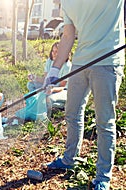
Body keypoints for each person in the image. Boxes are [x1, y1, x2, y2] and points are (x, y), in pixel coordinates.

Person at [43, 1, 125, 189]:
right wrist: (54, 70)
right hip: (80, 63)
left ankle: (103, 176)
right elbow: (68, 36)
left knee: (104, 122)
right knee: (72, 113)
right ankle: (69, 158)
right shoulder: (67, 3)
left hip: (108, 60)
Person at [27, 42, 71, 110]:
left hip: (61, 90)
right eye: (53, 51)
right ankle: (37, 104)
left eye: (56, 52)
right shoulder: (49, 61)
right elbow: (45, 79)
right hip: (48, 88)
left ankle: (61, 105)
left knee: (49, 98)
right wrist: (35, 78)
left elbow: (62, 86)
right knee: (30, 85)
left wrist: (52, 89)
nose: (54, 53)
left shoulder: (67, 66)